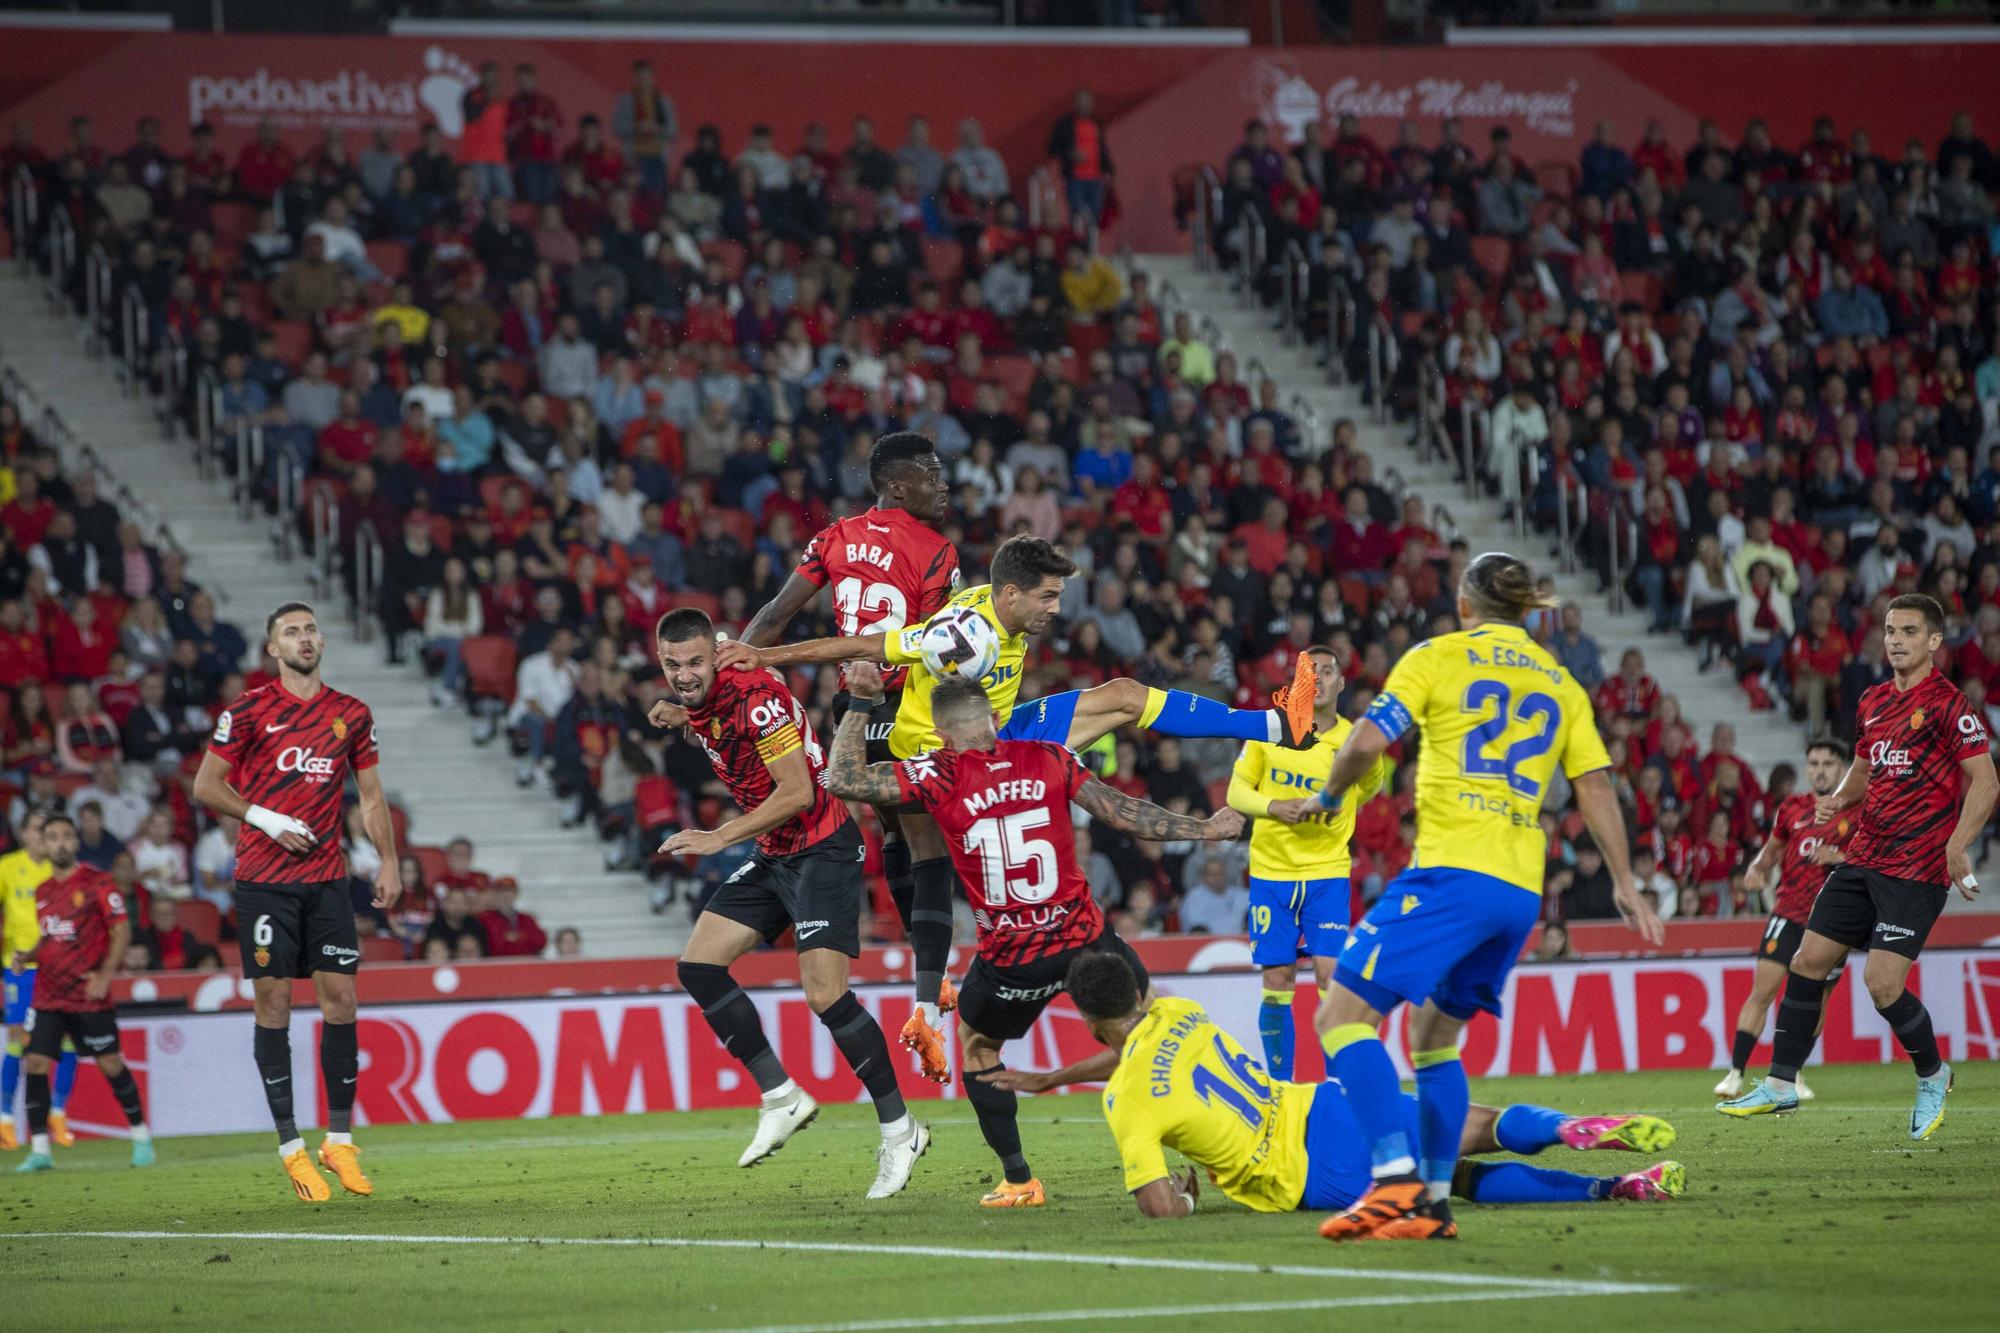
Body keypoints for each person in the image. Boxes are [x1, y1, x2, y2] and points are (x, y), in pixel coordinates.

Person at [717, 534, 1318, 1079]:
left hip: (1004, 734)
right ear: (1010, 594)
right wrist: (766, 658)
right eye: (1048, 597)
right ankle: (932, 1000)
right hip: (945, 760)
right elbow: (868, 643)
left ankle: (1273, 723)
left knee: (1125, 696)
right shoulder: (963, 636)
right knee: (919, 854)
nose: (1056, 609)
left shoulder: (999, 614)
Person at [1310, 551, 1663, 1242]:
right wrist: (1624, 881)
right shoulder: (1561, 681)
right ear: (1525, 610)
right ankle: (1433, 1204)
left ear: (1465, 604)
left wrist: (1327, 795)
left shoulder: (1437, 655)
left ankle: (1393, 1181)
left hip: (1452, 871)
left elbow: (1364, 742)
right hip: (1518, 890)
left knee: (1340, 1017)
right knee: (1433, 1035)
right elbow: (1594, 785)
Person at [824, 669, 1246, 1208]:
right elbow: (1126, 815)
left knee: (978, 1050)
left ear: (941, 735)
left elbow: (844, 779)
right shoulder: (1050, 757)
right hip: (1084, 939)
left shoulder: (937, 772)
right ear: (997, 721)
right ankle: (1215, 1149)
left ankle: (1020, 1181)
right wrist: (1206, 828)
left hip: (1011, 959)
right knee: (1149, 1033)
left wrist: (861, 701)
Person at [1015, 951, 1682, 1218]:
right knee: (1469, 1125)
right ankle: (1569, 1128)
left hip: (1310, 1170)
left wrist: (1188, 1200)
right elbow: (1135, 1045)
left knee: (1465, 1182)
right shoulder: (1178, 1009)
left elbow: (1158, 1206)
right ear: (1138, 991)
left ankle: (1611, 1188)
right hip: (1319, 1102)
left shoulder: (1127, 1098)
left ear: (1088, 1020)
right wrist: (1054, 1078)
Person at [652, 609, 926, 1200]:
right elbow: (713, 719)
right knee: (698, 965)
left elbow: (800, 790)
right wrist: (682, 714)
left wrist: (717, 837)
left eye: (695, 662)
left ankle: (901, 1130)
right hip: (777, 853)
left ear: (717, 653)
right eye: (672, 665)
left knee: (825, 994)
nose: (684, 674)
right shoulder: (706, 694)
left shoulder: (754, 698)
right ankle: (781, 1095)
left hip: (822, 846)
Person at [1720, 595, 1998, 1138]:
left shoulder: (1948, 705)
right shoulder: (1871, 700)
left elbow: (1986, 782)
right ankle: (1780, 1083)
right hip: (1863, 858)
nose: (1895, 640)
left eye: (1909, 632)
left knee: (1881, 983)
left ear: (1934, 642)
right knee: (1807, 960)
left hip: (1915, 868)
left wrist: (1958, 843)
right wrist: (1839, 801)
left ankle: (1933, 1074)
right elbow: (1865, 771)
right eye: (1890, 630)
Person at [192, 603, 402, 1202]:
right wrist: (265, 817)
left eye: (310, 629)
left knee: (341, 999)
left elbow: (372, 797)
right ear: (272, 650)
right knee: (275, 1003)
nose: (304, 639)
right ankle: (291, 1149)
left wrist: (388, 860)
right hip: (264, 881)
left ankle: (338, 1141)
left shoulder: (350, 714)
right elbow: (206, 785)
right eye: (291, 632)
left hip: (327, 879)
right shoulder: (250, 709)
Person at [1230, 645, 1388, 1079]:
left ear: (1340, 682)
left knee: (1330, 978)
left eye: (1328, 671)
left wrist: (1333, 810)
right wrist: (1274, 807)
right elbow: (1236, 792)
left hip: (1327, 873)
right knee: (1277, 981)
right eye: (1308, 671)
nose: (1318, 677)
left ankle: (1337, 1088)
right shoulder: (1271, 729)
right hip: (1271, 873)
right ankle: (1281, 1093)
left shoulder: (1357, 739)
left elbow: (1368, 789)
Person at [9, 813, 153, 1172]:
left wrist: (106, 974)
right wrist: (27, 955)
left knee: (110, 1063)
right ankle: (40, 1149)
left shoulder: (97, 882)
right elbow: (50, 938)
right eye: (52, 836)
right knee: (36, 1063)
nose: (60, 843)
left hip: (88, 993)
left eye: (66, 836)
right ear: (42, 843)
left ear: (76, 842)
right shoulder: (42, 891)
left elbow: (121, 931)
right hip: (48, 994)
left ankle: (141, 1137)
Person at [1714, 739, 1856, 1102]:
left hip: (1831, 922)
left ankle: (1792, 1074)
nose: (1820, 769)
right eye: (1814, 763)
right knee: (1763, 991)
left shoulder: (1857, 810)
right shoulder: (1792, 807)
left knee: (1816, 1002)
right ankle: (1735, 1074)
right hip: (1788, 913)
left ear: (1842, 768)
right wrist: (1758, 868)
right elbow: (1774, 849)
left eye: (1827, 763)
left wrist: (1837, 856)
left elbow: (1876, 856)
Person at [0, 812, 77, 1151]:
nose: (43, 835)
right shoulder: (7, 867)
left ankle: (57, 1114)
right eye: (36, 829)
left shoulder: (61, 871)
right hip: (20, 969)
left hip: (59, 968)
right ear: (25, 834)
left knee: (68, 1041)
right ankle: (5, 1119)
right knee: (18, 1040)